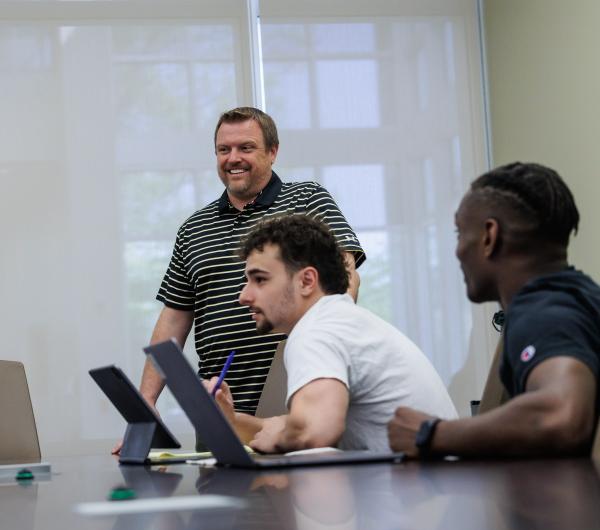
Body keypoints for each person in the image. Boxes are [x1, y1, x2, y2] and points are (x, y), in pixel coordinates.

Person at [113, 107, 364, 453]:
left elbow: (345, 272)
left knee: (304, 502)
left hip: (299, 397)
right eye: (223, 150)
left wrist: (326, 345)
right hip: (219, 411)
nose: (233, 159)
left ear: (272, 152)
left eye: (246, 148)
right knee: (221, 502)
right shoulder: (193, 229)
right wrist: (146, 403)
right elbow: (174, 318)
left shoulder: (307, 199)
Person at [388, 162, 600, 458]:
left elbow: (561, 415)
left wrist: (431, 433)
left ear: (489, 236)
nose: (458, 251)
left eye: (460, 234)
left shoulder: (544, 312)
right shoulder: (579, 297)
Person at [209, 214, 457, 453]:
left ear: (306, 281)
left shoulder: (317, 332)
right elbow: (277, 428)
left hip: (422, 489)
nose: (243, 296)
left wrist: (283, 438)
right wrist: (228, 419)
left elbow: (314, 431)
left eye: (260, 280)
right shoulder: (338, 320)